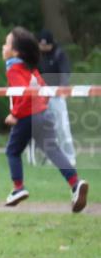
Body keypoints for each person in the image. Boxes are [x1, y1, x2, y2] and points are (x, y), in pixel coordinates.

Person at [1, 27, 87, 213]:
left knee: (12, 151)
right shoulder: (31, 68)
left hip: (27, 116)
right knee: (53, 150)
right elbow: (43, 89)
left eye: (6, 44)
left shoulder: (14, 69)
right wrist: (42, 107)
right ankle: (75, 184)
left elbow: (25, 94)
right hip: (43, 113)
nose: (2, 46)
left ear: (15, 52)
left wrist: (15, 114)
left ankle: (18, 188)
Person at [38, 28, 76, 165]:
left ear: (50, 43)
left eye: (44, 45)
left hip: (57, 95)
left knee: (62, 127)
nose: (42, 47)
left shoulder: (59, 54)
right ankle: (52, 156)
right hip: (42, 95)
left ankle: (70, 156)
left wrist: (63, 90)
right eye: (40, 44)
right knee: (48, 128)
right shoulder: (38, 55)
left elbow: (64, 73)